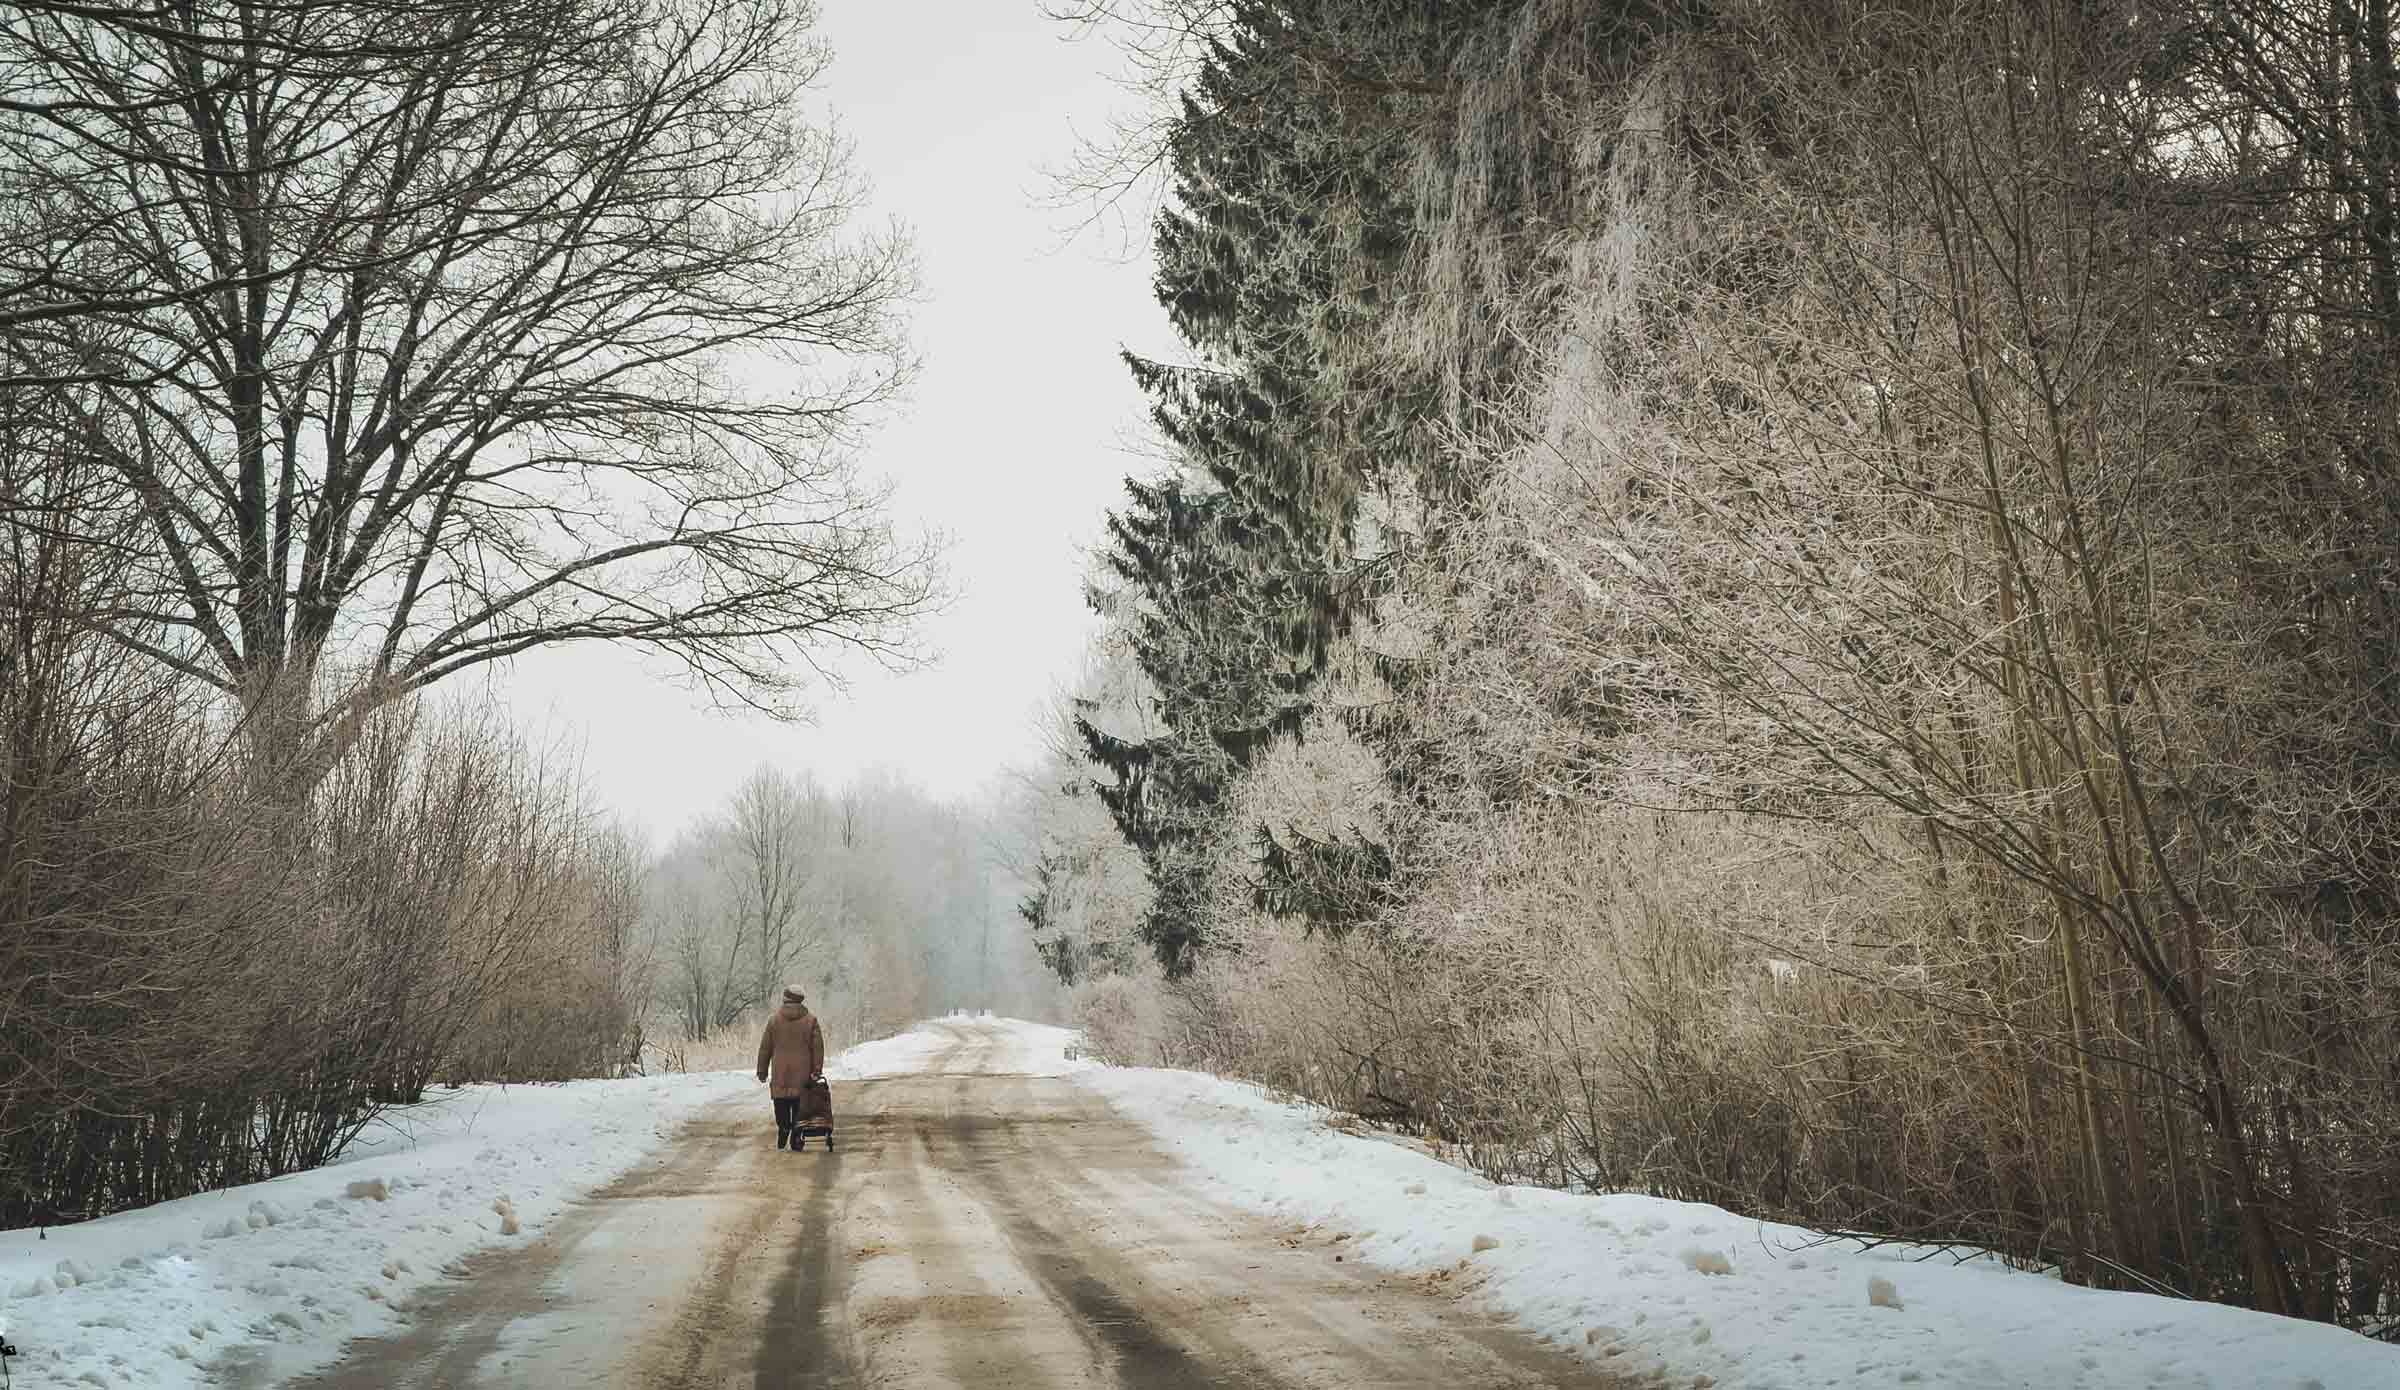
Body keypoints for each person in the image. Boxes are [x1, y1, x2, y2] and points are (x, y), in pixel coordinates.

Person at [755, 985, 826, 1151]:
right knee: (799, 1106)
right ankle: (796, 1132)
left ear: (785, 999)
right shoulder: (811, 1021)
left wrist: (762, 1070)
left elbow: (765, 1048)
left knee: (781, 1104)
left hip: (780, 1072)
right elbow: (818, 1048)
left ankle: (784, 1127)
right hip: (802, 1074)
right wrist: (816, 1069)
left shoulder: (773, 1020)